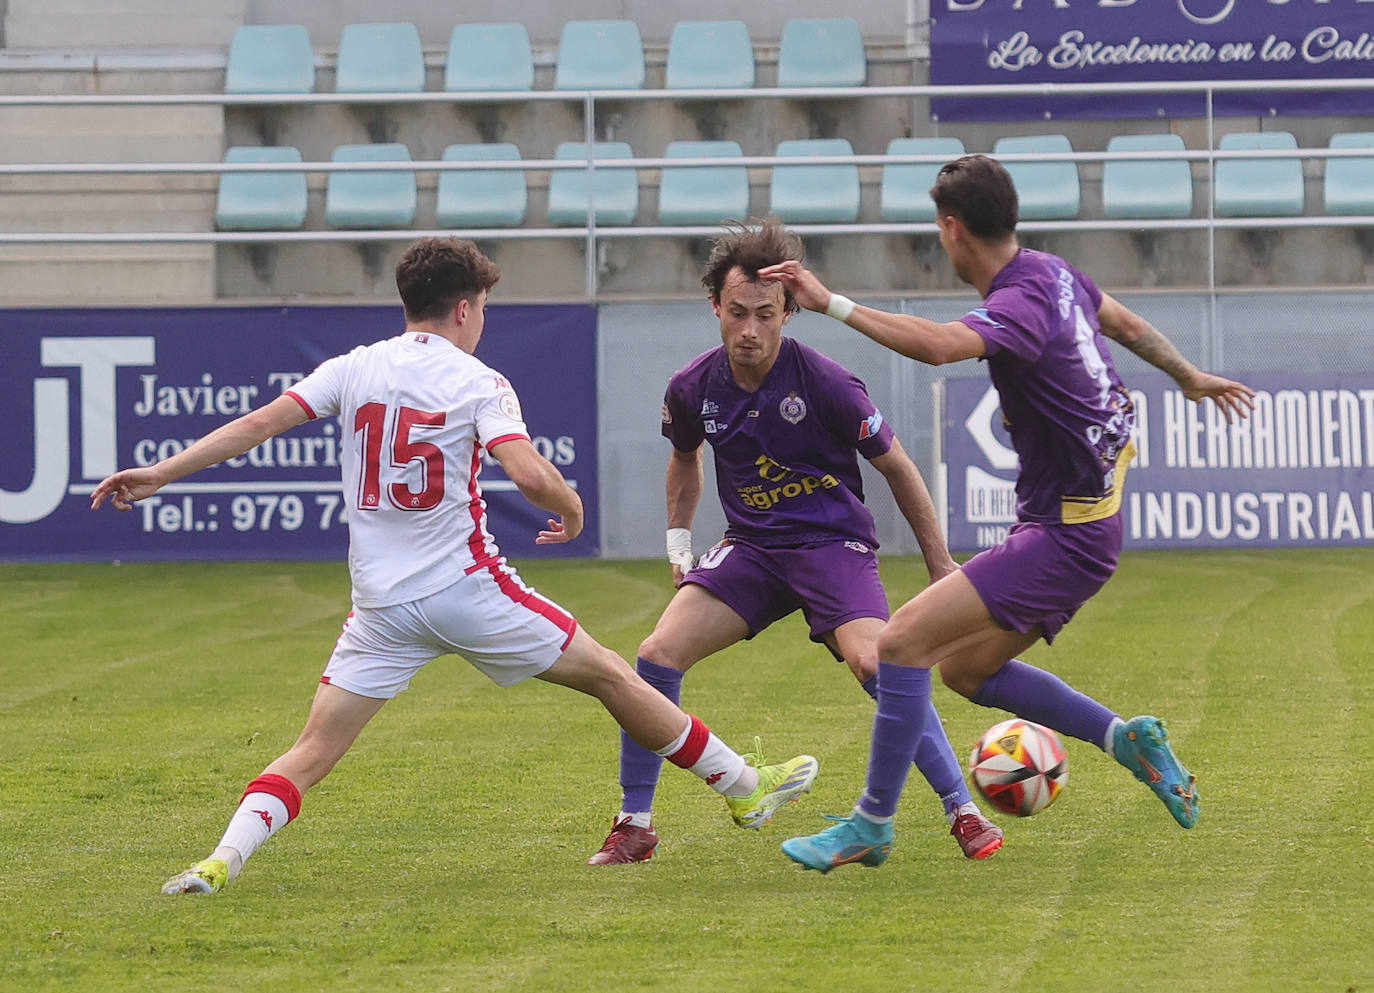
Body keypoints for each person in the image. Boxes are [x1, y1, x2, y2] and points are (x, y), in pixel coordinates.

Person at [91, 237, 819, 895]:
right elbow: (528, 474)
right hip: (468, 591)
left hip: (379, 609)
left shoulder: (354, 367)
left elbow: (255, 427)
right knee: (612, 675)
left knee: (312, 749)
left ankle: (221, 858)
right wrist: (569, 507)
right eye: (485, 308)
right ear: (465, 308)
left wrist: (161, 471)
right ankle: (745, 784)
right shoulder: (479, 380)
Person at [763, 155, 1256, 873]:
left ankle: (871, 822)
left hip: (1067, 534)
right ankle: (1126, 738)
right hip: (1082, 525)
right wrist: (1186, 375)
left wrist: (829, 300)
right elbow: (1123, 320)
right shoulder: (1054, 273)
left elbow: (937, 347)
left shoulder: (1020, 304)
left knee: (899, 645)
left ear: (952, 228)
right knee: (965, 669)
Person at [587, 219, 1005, 867]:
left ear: (789, 310)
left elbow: (899, 468)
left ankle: (964, 808)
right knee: (656, 653)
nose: (749, 329)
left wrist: (941, 564)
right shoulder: (693, 386)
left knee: (880, 663)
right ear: (715, 308)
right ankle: (634, 823)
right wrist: (678, 540)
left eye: (765, 313)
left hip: (833, 545)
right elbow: (684, 458)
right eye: (736, 313)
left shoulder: (829, 383)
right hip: (751, 548)